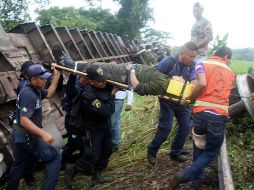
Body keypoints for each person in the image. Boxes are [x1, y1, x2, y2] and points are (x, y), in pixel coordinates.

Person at [171, 46, 235, 189]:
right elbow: (205, 85)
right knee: (211, 150)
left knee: (198, 145)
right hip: (218, 116)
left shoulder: (202, 64)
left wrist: (188, 99)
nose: (229, 62)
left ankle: (197, 181)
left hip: (200, 113)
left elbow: (200, 84)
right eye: (229, 59)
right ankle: (185, 175)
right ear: (225, 57)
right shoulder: (231, 73)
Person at [137, 42, 198, 166]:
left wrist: (187, 85)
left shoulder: (192, 66)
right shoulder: (168, 62)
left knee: (186, 126)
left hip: (182, 101)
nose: (193, 59)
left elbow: (194, 82)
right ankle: (152, 150)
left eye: (194, 57)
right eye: (190, 56)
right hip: (167, 100)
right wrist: (171, 80)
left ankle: (175, 152)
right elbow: (154, 78)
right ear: (182, 53)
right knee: (166, 128)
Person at [6, 64, 62, 190]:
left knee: (19, 163)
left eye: (46, 77)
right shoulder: (28, 93)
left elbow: (48, 94)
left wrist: (56, 76)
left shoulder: (35, 88)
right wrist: (43, 134)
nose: (45, 80)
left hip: (19, 134)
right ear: (32, 79)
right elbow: (24, 120)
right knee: (54, 157)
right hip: (27, 136)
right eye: (42, 78)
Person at [65, 65, 118, 189]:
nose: (104, 82)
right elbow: (107, 111)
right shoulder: (88, 95)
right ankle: (72, 169)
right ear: (91, 81)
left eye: (104, 79)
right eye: (100, 81)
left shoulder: (103, 85)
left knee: (107, 149)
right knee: (93, 154)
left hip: (105, 125)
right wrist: (113, 95)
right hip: (94, 128)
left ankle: (97, 176)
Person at [52, 44, 170, 96]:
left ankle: (66, 62)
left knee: (96, 67)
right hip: (126, 72)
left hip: (125, 74)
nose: (181, 77)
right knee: (97, 66)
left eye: (182, 80)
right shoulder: (165, 79)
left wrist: (131, 71)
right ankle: (69, 62)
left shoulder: (162, 84)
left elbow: (139, 88)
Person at [61, 74, 88, 167]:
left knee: (73, 143)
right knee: (77, 143)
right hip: (72, 122)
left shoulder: (85, 86)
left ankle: (63, 161)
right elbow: (70, 90)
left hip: (79, 121)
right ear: (83, 77)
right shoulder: (75, 87)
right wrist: (72, 75)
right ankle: (64, 163)